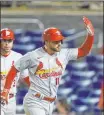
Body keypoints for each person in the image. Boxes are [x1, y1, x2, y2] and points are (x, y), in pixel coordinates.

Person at [1, 16, 94, 115]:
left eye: (60, 41)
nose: (59, 44)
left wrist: (90, 36)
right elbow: (14, 68)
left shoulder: (64, 54)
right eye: (56, 41)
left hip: (50, 102)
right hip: (34, 101)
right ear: (47, 42)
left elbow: (84, 51)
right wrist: (6, 90)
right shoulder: (33, 56)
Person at [0, 28, 30, 115]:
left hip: (11, 100)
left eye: (9, 41)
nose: (7, 44)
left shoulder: (18, 57)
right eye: (4, 40)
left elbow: (26, 77)